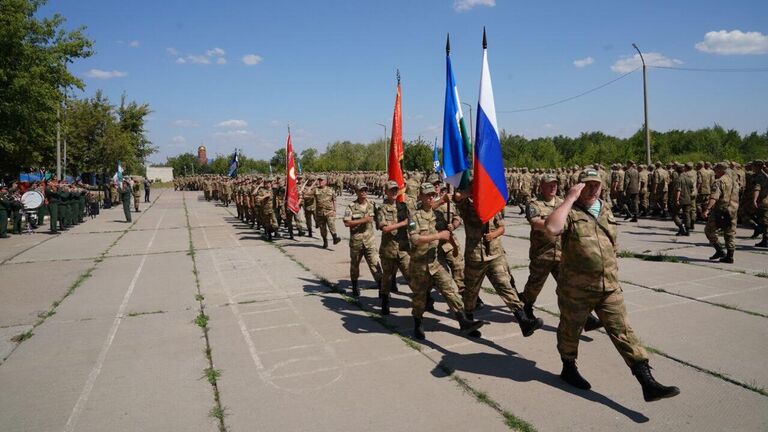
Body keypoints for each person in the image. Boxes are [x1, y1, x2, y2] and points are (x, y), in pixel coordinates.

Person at [544, 168, 680, 402]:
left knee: (623, 331)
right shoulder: (570, 211)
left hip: (608, 287)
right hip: (576, 289)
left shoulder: (605, 209)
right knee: (570, 330)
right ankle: (568, 368)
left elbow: (611, 243)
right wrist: (568, 199)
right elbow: (551, 228)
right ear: (578, 187)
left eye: (596, 185)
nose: (592, 189)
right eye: (586, 185)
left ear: (602, 186)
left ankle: (647, 382)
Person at [454, 182, 543, 338]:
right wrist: (471, 190)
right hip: (476, 256)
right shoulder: (466, 206)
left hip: (494, 255)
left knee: (505, 286)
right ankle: (468, 320)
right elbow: (457, 198)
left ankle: (524, 321)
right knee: (471, 291)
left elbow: (502, 227)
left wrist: (493, 234)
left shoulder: (491, 205)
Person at [522, 174, 602, 330]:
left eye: (555, 184)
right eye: (549, 185)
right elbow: (535, 223)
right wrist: (553, 224)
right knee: (534, 286)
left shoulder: (562, 203)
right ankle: (525, 310)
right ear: (541, 186)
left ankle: (587, 318)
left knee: (569, 287)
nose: (553, 187)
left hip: (562, 255)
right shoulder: (534, 203)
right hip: (542, 254)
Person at [407, 183, 484, 340]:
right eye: (426, 195)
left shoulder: (437, 215)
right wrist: (438, 236)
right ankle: (417, 323)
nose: (430, 197)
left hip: (435, 263)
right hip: (419, 265)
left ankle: (464, 321)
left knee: (449, 289)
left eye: (431, 195)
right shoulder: (414, 217)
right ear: (420, 196)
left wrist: (451, 227)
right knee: (419, 298)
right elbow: (415, 239)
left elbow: (452, 225)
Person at [376, 180, 411, 315]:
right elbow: (385, 229)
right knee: (387, 278)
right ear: (386, 192)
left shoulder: (403, 206)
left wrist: (412, 227)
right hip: (388, 250)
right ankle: (385, 301)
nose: (394, 192)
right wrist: (403, 223)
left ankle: (421, 301)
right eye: (391, 190)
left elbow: (411, 223)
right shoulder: (382, 209)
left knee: (410, 275)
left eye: (396, 189)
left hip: (403, 249)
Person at [343, 182, 383, 297]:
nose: (364, 192)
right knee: (355, 265)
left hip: (370, 241)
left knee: (375, 264)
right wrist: (363, 220)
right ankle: (355, 287)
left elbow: (378, 217)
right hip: (356, 242)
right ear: (356, 192)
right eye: (361, 190)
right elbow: (347, 223)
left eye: (365, 190)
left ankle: (381, 288)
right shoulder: (351, 206)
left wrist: (380, 224)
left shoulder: (372, 204)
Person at [702, 162, 740, 263]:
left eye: (716, 170)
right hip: (733, 210)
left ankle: (719, 250)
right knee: (730, 233)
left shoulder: (719, 181)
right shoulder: (734, 181)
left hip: (721, 210)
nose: (714, 172)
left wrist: (707, 209)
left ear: (721, 170)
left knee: (709, 230)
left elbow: (714, 197)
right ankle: (730, 256)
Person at [314, 175, 341, 248]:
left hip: (329, 211)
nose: (320, 182)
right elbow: (307, 193)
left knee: (331, 224)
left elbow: (334, 200)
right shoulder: (315, 190)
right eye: (319, 180)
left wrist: (335, 210)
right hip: (320, 213)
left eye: (321, 180)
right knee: (323, 230)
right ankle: (325, 241)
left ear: (325, 181)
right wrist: (313, 184)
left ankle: (335, 238)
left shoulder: (331, 190)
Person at [751, 160, 768, 247]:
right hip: (765, 200)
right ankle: (765, 240)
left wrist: (754, 200)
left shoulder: (760, 176)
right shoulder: (763, 175)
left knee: (764, 221)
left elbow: (757, 188)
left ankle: (765, 240)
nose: (752, 167)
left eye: (753, 166)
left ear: (757, 166)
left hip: (763, 201)